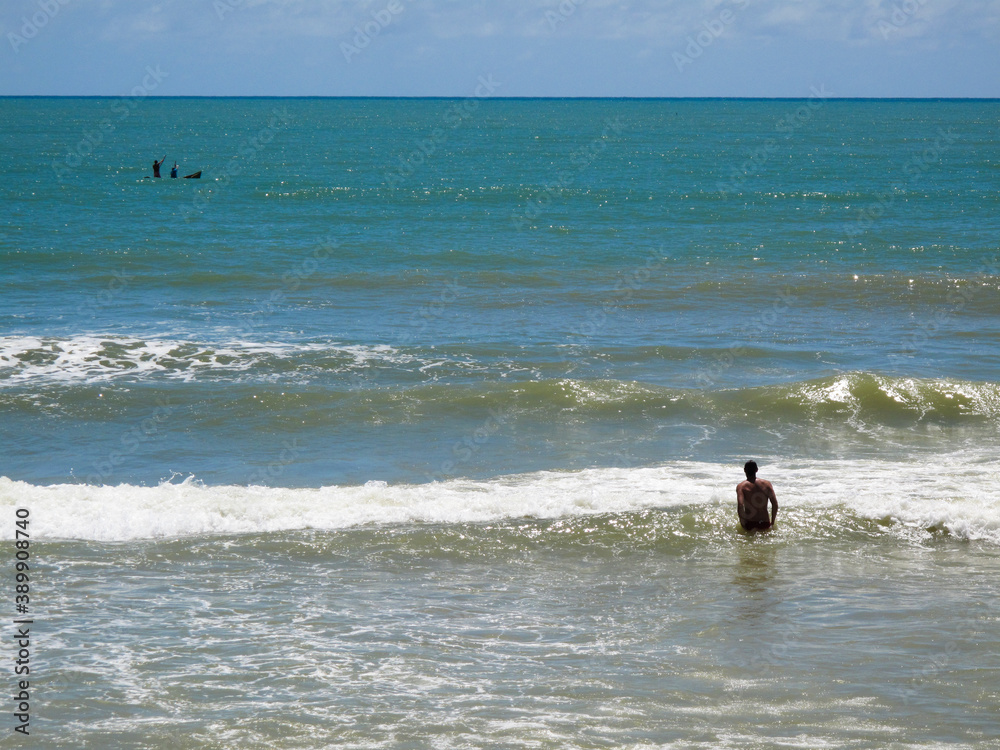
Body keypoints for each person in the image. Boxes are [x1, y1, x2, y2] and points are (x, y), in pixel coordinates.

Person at [736, 460, 777, 531]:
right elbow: (775, 504)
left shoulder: (741, 486)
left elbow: (740, 505)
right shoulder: (767, 484)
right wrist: (772, 522)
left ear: (744, 470)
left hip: (750, 523)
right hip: (765, 523)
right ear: (756, 470)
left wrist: (743, 523)